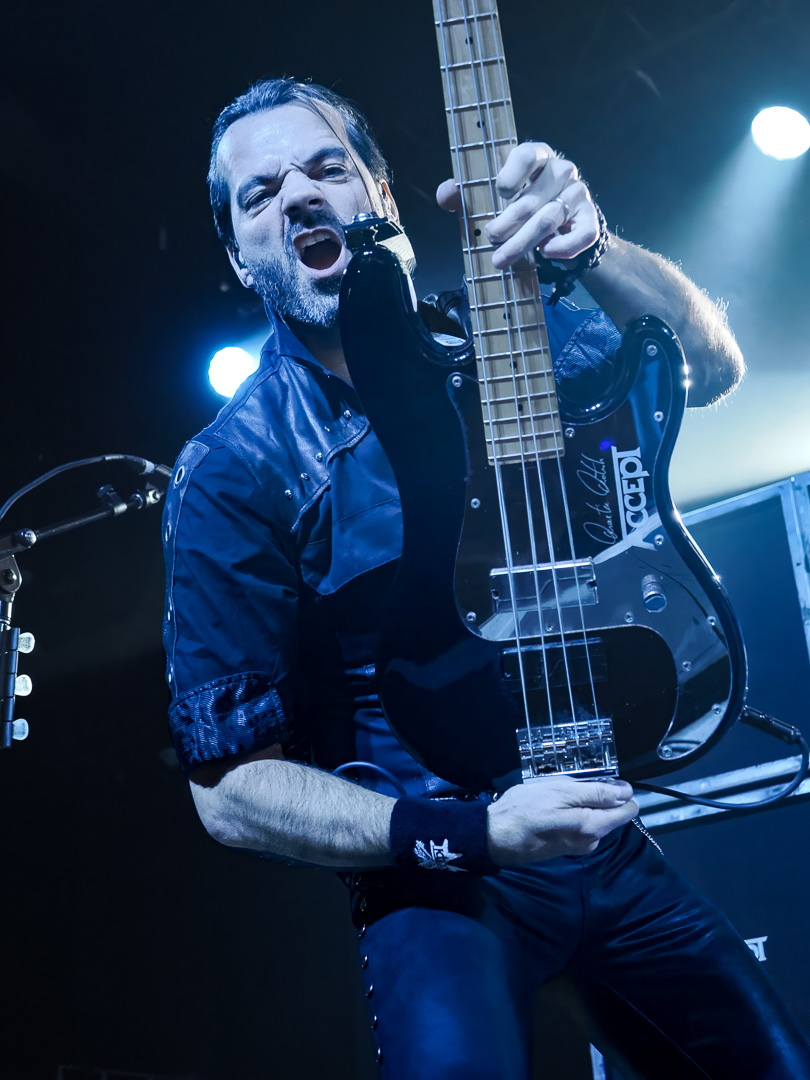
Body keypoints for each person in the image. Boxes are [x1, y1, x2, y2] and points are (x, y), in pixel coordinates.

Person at [162, 78, 810, 1078]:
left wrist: (593, 247)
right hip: (438, 876)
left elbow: (710, 367)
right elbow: (229, 790)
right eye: (261, 193)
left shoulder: (499, 340)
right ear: (242, 257)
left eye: (327, 167)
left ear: (381, 194)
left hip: (603, 841)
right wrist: (472, 832)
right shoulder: (235, 466)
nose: (299, 195)